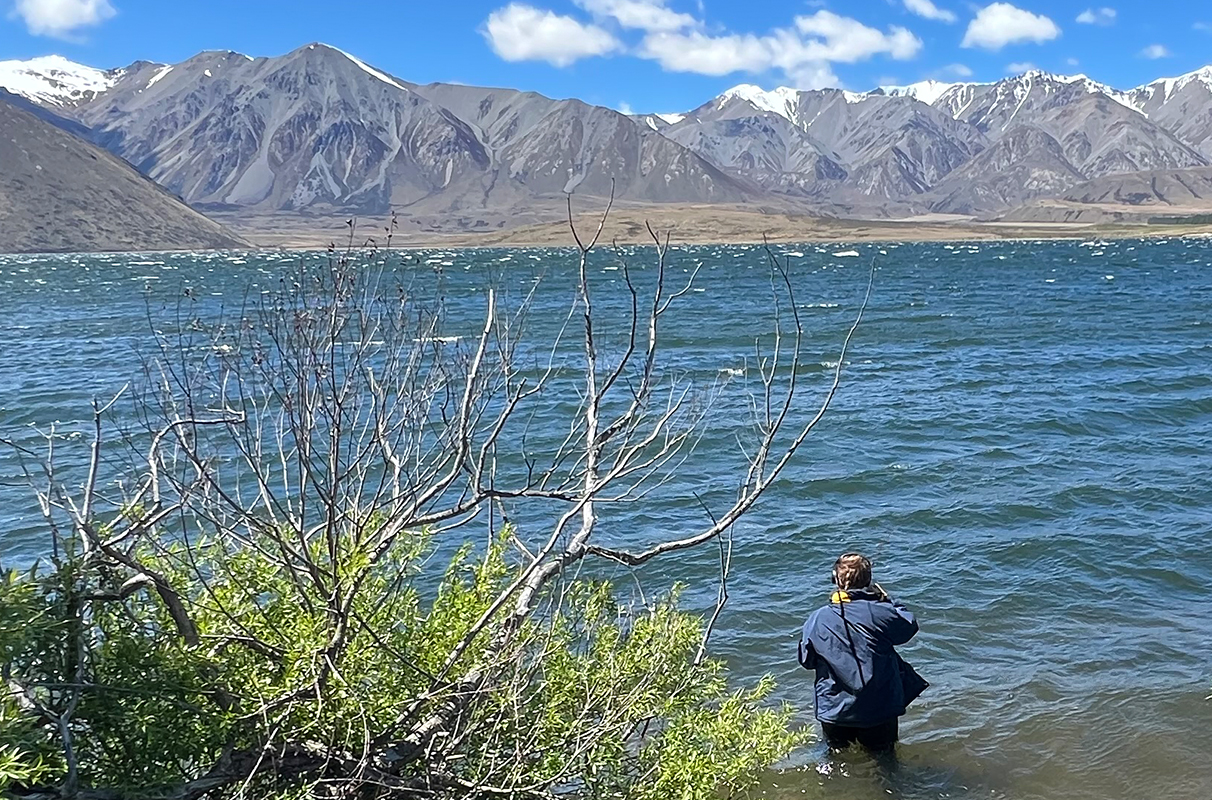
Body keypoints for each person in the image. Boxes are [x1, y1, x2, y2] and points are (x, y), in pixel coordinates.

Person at [797, 553, 924, 752]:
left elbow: (806, 660)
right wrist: (888, 600)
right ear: (868, 580)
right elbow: (908, 626)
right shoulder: (881, 611)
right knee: (885, 762)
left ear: (835, 579)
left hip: (835, 708)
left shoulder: (818, 618)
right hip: (879, 707)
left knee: (836, 759)